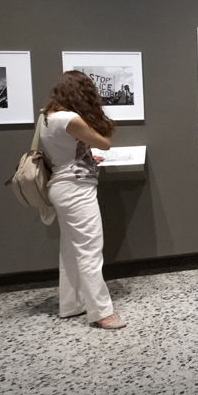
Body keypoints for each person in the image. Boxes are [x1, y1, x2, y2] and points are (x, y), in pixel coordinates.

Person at [40, 71, 125, 330]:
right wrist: (97, 117)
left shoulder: (46, 115)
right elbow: (105, 142)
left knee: (69, 250)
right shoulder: (71, 118)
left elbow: (64, 151)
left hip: (63, 186)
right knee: (90, 250)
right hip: (77, 191)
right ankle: (102, 313)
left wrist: (87, 158)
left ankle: (71, 304)